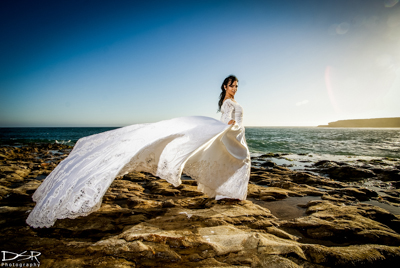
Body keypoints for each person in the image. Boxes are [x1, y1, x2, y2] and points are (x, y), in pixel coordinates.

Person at [26, 75, 251, 228]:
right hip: (232, 131)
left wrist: (234, 128)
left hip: (235, 133)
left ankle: (227, 192)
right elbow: (227, 119)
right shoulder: (227, 103)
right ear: (225, 87)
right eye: (232, 85)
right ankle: (228, 193)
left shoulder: (231, 101)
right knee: (238, 159)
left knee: (234, 159)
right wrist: (231, 126)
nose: (235, 88)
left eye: (237, 86)